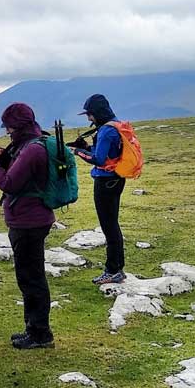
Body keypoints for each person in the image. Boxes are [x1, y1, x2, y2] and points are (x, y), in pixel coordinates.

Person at [0, 102, 55, 349]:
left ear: (17, 125)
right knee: (30, 276)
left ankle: (40, 334)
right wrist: (1, 156)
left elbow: (10, 183)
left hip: (28, 221)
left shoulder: (32, 149)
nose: (8, 131)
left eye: (9, 127)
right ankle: (33, 329)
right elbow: (21, 173)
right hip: (32, 218)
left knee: (31, 278)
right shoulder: (32, 143)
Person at [72, 94, 126, 285]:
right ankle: (117, 267)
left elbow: (98, 160)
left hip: (105, 182)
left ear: (98, 113)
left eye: (90, 114)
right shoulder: (116, 125)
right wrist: (86, 147)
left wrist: (78, 152)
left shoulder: (105, 131)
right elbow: (106, 154)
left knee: (108, 226)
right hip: (117, 179)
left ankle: (113, 270)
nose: (89, 119)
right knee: (113, 224)